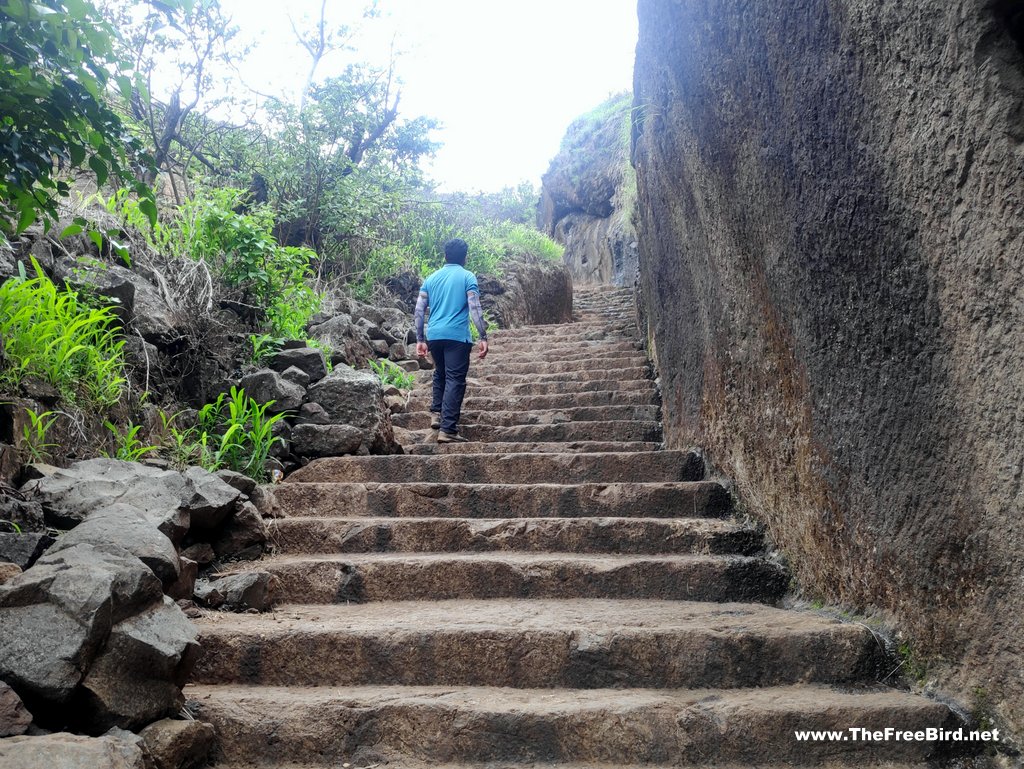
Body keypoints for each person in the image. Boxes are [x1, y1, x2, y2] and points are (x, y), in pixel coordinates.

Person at [414, 238, 489, 443]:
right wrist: (483, 336)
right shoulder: (467, 276)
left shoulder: (431, 279)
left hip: (435, 335)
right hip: (457, 336)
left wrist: (420, 339)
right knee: (455, 379)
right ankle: (448, 429)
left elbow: (419, 310)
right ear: (465, 257)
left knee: (440, 373)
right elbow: (474, 307)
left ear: (444, 256)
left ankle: (437, 413)